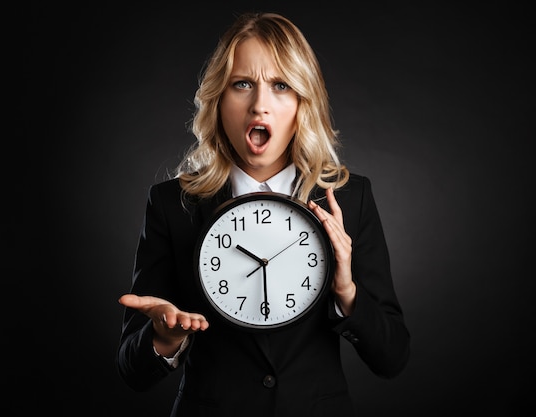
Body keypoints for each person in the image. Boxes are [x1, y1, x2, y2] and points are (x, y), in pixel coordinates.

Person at [116, 11, 410, 417]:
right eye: (242, 84)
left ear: (302, 102)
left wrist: (347, 293)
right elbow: (133, 371)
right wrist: (163, 338)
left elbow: (393, 357)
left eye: (280, 86)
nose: (260, 105)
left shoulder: (348, 199)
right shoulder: (172, 204)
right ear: (219, 100)